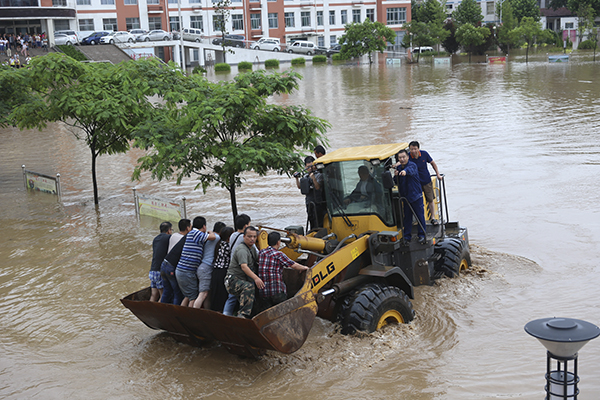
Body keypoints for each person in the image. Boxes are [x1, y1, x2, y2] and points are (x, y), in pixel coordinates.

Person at [258, 231, 309, 308]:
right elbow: (293, 265)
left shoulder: (261, 253)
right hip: (276, 292)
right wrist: (305, 268)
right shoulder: (279, 254)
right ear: (278, 242)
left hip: (263, 293)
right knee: (283, 310)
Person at [175, 216, 216, 307]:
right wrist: (211, 232)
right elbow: (213, 237)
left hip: (181, 270)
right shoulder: (197, 233)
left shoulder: (191, 233)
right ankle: (191, 318)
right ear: (204, 226)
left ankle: (181, 314)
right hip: (187, 272)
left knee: (188, 296)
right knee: (193, 298)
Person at [224, 226, 263, 318]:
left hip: (242, 279)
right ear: (244, 237)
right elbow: (244, 267)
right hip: (232, 280)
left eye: (254, 237)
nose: (252, 239)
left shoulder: (252, 248)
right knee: (248, 287)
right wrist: (256, 278)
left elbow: (259, 259)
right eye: (249, 236)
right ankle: (242, 315)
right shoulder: (242, 249)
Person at [223, 213, 251, 315]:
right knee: (245, 294)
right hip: (240, 270)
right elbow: (256, 252)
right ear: (245, 226)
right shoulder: (243, 238)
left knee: (231, 296)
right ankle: (243, 316)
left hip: (231, 269)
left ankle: (226, 315)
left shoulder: (233, 235)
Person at [396, 150, 427, 244]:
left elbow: (410, 171)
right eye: (400, 158)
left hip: (416, 196)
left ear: (407, 157)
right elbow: (397, 181)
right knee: (407, 218)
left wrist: (404, 172)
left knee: (419, 216)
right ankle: (407, 237)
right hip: (405, 197)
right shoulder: (398, 168)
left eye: (403, 157)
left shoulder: (412, 165)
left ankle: (422, 235)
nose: (402, 159)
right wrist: (395, 175)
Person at [408, 141, 442, 224]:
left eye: (415, 149)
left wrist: (438, 174)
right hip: (415, 183)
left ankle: (433, 218)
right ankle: (418, 219)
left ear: (418, 149)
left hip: (426, 181)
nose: (413, 151)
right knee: (417, 201)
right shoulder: (408, 156)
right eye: (411, 149)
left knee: (430, 199)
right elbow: (401, 162)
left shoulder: (424, 154)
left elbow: (433, 163)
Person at [160, 220, 192, 305]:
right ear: (188, 228)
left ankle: (161, 310)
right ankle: (174, 313)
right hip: (172, 267)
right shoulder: (185, 239)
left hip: (164, 264)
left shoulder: (173, 235)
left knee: (166, 291)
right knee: (177, 293)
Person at [194, 222, 223, 309]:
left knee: (207, 295)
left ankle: (207, 314)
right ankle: (193, 315)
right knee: (203, 294)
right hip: (206, 268)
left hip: (203, 267)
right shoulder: (217, 238)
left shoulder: (210, 237)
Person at [295, 156, 325, 231]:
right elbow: (300, 187)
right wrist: (297, 179)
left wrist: (313, 178)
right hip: (309, 203)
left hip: (318, 203)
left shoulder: (319, 175)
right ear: (305, 167)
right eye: (308, 167)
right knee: (311, 220)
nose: (310, 168)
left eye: (312, 166)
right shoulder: (305, 176)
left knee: (319, 221)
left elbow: (317, 187)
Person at [210, 226, 234, 312]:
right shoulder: (228, 246)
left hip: (216, 270)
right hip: (223, 271)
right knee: (222, 295)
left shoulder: (219, 243)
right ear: (229, 237)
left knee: (216, 294)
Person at [149, 221, 172, 302]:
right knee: (163, 295)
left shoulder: (156, 239)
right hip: (159, 271)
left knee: (154, 294)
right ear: (169, 230)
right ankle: (157, 312)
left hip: (152, 271)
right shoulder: (168, 238)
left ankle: (149, 310)